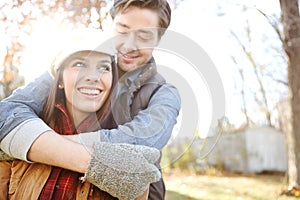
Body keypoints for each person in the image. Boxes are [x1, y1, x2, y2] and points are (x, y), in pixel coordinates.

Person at [0, 0, 180, 199]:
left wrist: (34, 143)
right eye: (123, 30)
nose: (129, 45)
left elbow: (141, 143)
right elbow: (6, 114)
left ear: (158, 40)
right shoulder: (65, 66)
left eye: (144, 36)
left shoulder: (164, 93)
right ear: (111, 26)